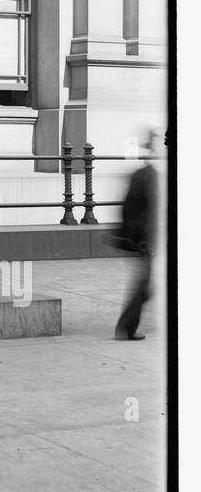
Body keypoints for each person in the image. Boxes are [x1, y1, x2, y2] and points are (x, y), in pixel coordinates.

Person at [114, 131, 159, 341]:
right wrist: (143, 240)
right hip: (144, 240)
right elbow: (142, 211)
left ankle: (127, 326)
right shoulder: (149, 177)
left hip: (141, 239)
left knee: (147, 286)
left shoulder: (142, 175)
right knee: (145, 286)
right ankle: (126, 328)